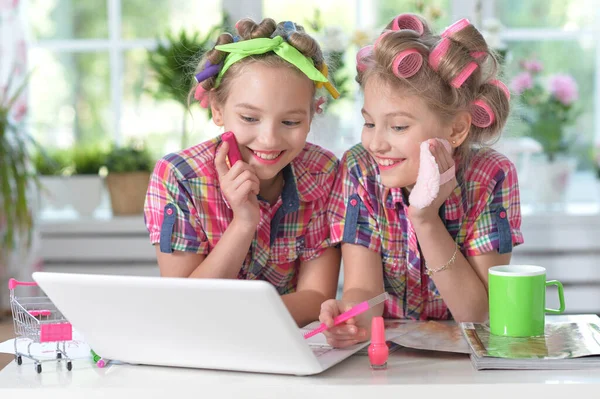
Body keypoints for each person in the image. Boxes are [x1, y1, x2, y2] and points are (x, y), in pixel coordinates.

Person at [320, 14, 523, 347]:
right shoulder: (360, 167)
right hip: (395, 360)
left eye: (398, 127)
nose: (376, 143)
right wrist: (349, 319)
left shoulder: (491, 176)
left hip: (468, 363)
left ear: (457, 129)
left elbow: (479, 314)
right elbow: (364, 289)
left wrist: (425, 218)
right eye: (370, 123)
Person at [144, 18, 341, 327]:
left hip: (283, 349)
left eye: (290, 122)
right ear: (217, 110)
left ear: (312, 113)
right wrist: (245, 221)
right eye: (250, 118)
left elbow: (316, 295)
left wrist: (237, 321)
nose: (270, 139)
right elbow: (185, 307)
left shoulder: (323, 173)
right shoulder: (179, 178)